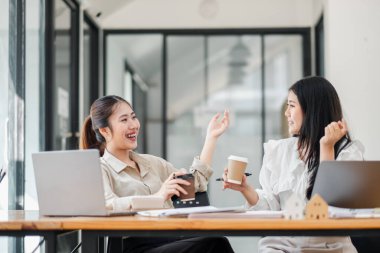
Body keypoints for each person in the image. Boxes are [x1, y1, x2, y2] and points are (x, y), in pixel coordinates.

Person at [222, 76, 364, 253]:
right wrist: (245, 189)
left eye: (291, 106)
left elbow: (325, 210)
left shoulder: (348, 152)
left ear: (312, 109)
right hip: (282, 246)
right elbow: (271, 210)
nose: (286, 113)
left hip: (330, 248)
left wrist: (326, 147)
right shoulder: (279, 151)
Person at [80, 95, 234, 253]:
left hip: (171, 238)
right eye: (124, 120)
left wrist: (211, 138)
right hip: (131, 246)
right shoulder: (99, 168)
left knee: (215, 241)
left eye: (133, 117)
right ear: (105, 130)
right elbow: (105, 206)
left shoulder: (153, 163)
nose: (133, 125)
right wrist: (159, 197)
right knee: (214, 244)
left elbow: (196, 185)